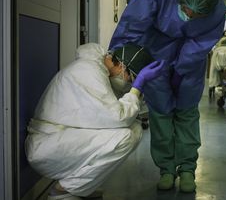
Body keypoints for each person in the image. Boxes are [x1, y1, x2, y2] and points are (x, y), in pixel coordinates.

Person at [109, 0, 226, 192]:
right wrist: (122, 57)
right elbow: (133, 22)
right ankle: (166, 169)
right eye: (186, 11)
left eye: (196, 16)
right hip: (154, 51)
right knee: (161, 111)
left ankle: (188, 169)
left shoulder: (217, 10)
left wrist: (181, 69)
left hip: (191, 60)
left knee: (187, 110)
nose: (189, 17)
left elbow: (200, 43)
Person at [25, 43, 165, 200]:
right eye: (131, 78)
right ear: (122, 66)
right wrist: (137, 87)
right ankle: (64, 191)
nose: (129, 83)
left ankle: (80, 186)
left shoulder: (97, 70)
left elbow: (114, 110)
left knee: (134, 129)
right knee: (125, 137)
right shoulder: (89, 72)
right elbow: (119, 117)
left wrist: (138, 88)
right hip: (46, 146)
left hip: (58, 137)